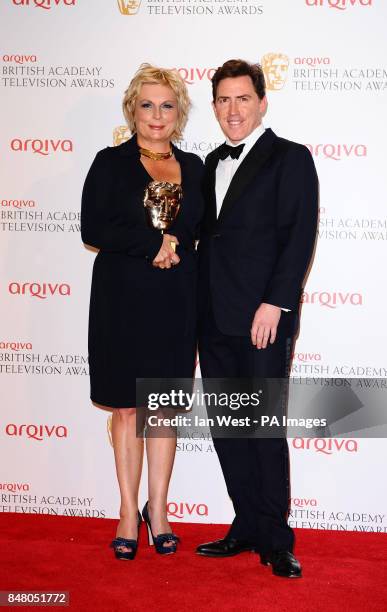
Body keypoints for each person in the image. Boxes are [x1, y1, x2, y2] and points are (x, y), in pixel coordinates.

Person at [196, 59, 318, 578]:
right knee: (229, 428)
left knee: (263, 429)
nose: (232, 109)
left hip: (263, 319)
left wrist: (277, 302)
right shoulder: (207, 163)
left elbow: (299, 234)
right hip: (214, 318)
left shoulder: (289, 158)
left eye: (242, 98)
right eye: (223, 99)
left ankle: (275, 536)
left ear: (262, 102)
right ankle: (245, 524)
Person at [81, 64, 203, 560]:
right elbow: (94, 228)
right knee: (129, 408)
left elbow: (204, 229)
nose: (157, 115)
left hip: (176, 300)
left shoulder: (195, 167)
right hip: (122, 300)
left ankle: (160, 511)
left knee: (163, 406)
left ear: (180, 112)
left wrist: (174, 248)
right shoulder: (109, 163)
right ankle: (128, 511)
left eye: (167, 105)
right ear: (132, 110)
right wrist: (150, 243)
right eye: (147, 105)